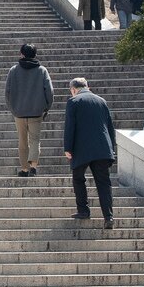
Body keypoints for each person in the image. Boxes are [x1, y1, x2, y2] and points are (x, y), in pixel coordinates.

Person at [63, 77, 116, 227]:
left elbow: (70, 127)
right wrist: (111, 148)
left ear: (73, 89)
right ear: (88, 87)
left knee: (78, 178)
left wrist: (68, 148)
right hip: (102, 148)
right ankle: (108, 217)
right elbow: (109, 127)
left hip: (82, 148)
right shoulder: (101, 101)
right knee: (104, 182)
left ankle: (84, 211)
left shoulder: (73, 102)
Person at [5, 43, 55, 178]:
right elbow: (49, 91)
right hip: (36, 112)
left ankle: (24, 169)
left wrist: (12, 108)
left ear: (21, 54)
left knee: (22, 141)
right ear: (35, 55)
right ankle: (33, 166)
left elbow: (7, 92)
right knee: (35, 140)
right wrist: (46, 107)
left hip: (19, 112)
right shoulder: (42, 70)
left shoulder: (14, 70)